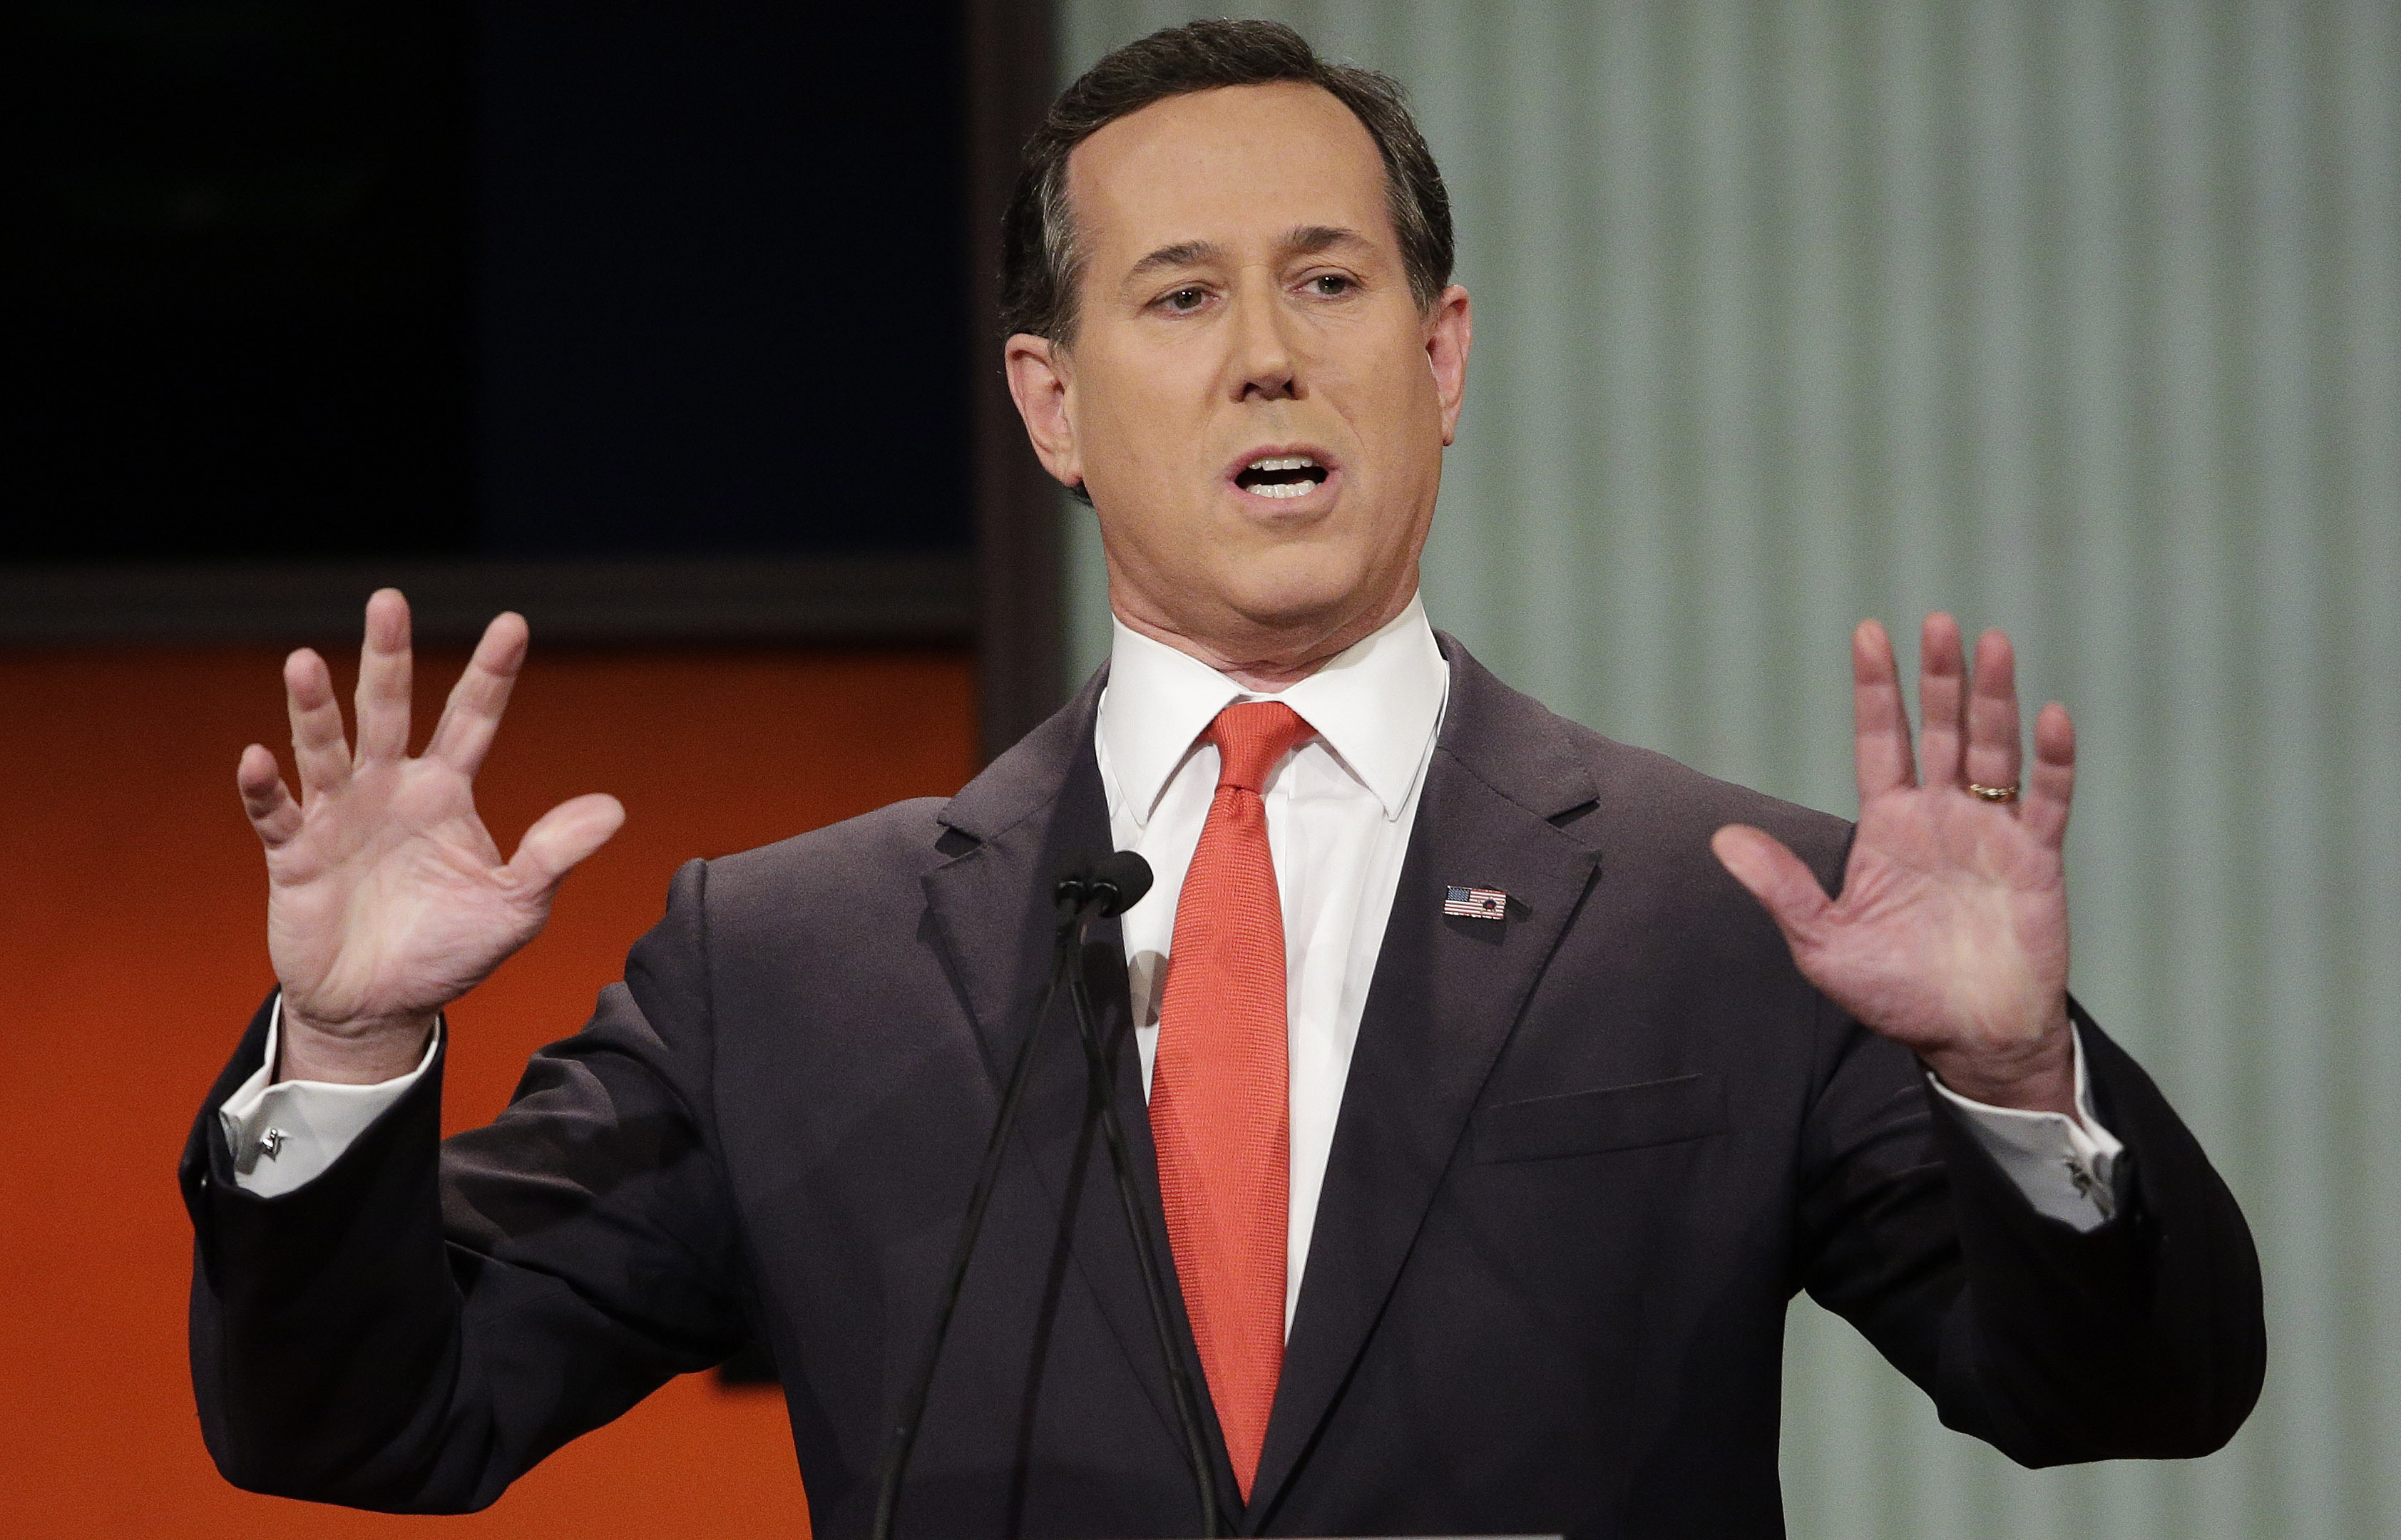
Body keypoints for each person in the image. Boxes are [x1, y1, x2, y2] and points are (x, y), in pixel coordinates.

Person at [185, 20, 2263, 1539]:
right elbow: (377, 1421)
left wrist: (2013, 1086)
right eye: (1181, 297)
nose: (1269, 351)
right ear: (1055, 400)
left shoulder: (1722, 917)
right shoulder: (791, 966)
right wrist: (352, 1043)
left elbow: (2127, 1404)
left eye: (1328, 282)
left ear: (1441, 360)